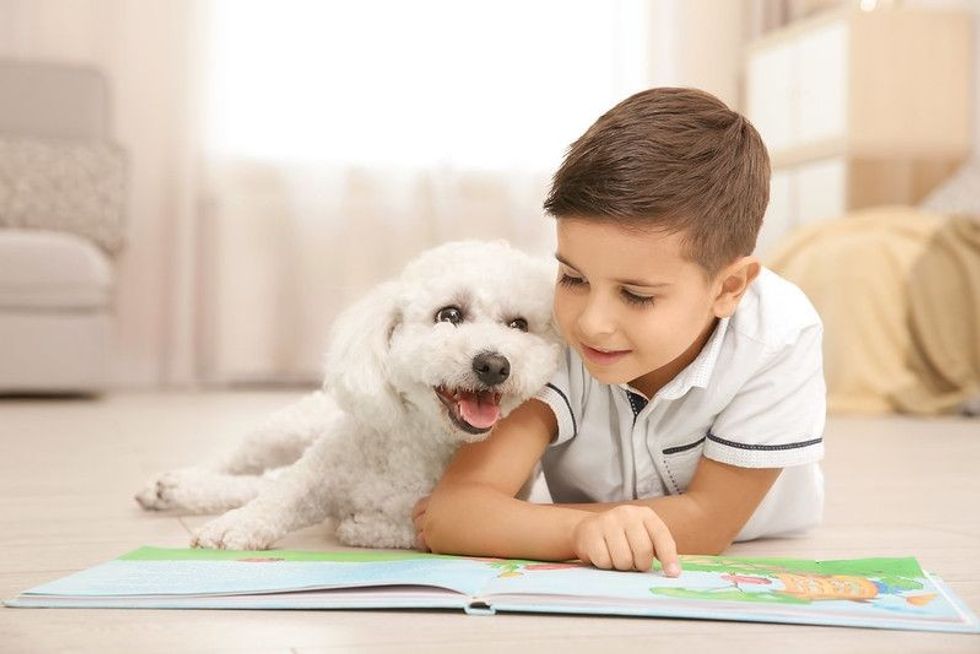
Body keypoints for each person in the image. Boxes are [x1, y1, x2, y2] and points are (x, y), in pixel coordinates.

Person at [415, 87, 826, 577]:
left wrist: (523, 525)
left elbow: (707, 525)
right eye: (573, 278)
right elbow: (455, 512)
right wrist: (579, 532)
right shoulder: (551, 332)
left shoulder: (778, 336)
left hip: (761, 537)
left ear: (729, 287)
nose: (590, 322)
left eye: (636, 295)